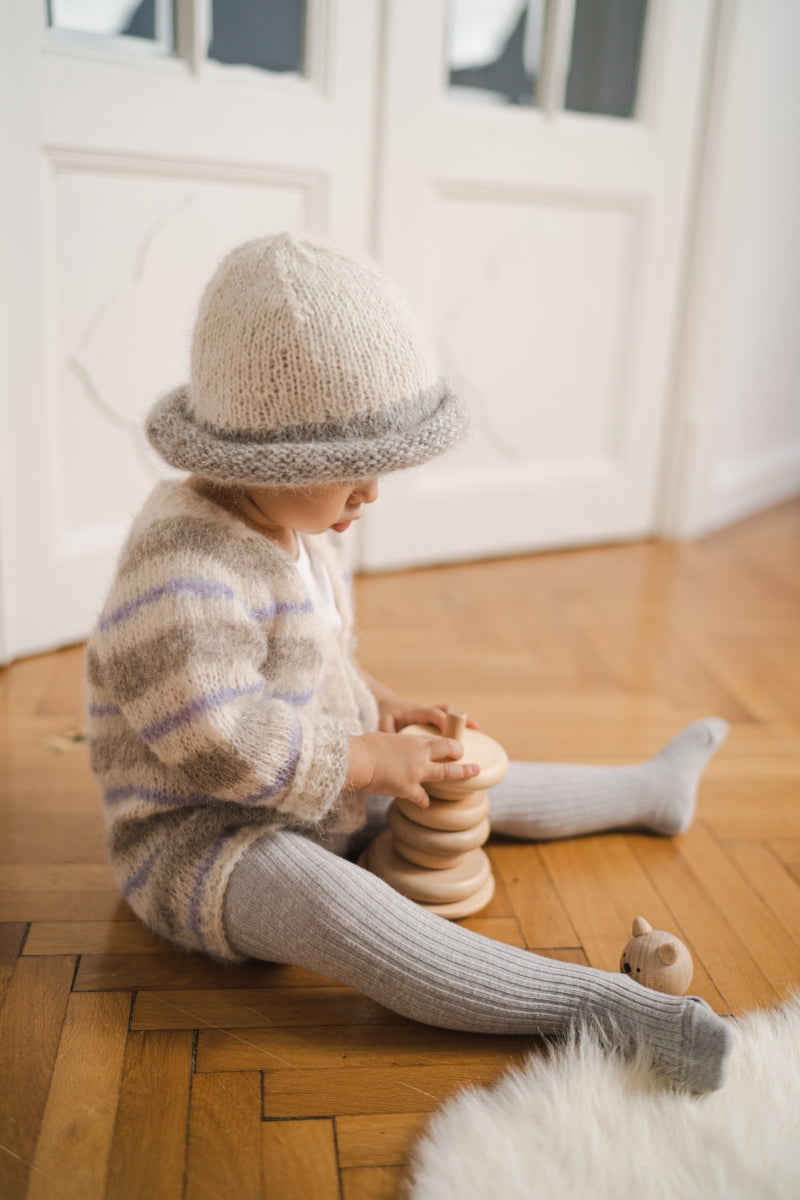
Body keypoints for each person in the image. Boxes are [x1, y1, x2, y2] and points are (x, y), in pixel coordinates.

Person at [86, 232, 732, 1092]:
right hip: (206, 839)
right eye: (351, 471)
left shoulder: (297, 522)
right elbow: (220, 739)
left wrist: (379, 709)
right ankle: (595, 1009)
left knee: (465, 774)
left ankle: (648, 791)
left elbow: (318, 657)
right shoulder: (183, 570)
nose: (373, 493)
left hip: (314, 789)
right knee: (342, 908)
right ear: (264, 458)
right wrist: (367, 760)